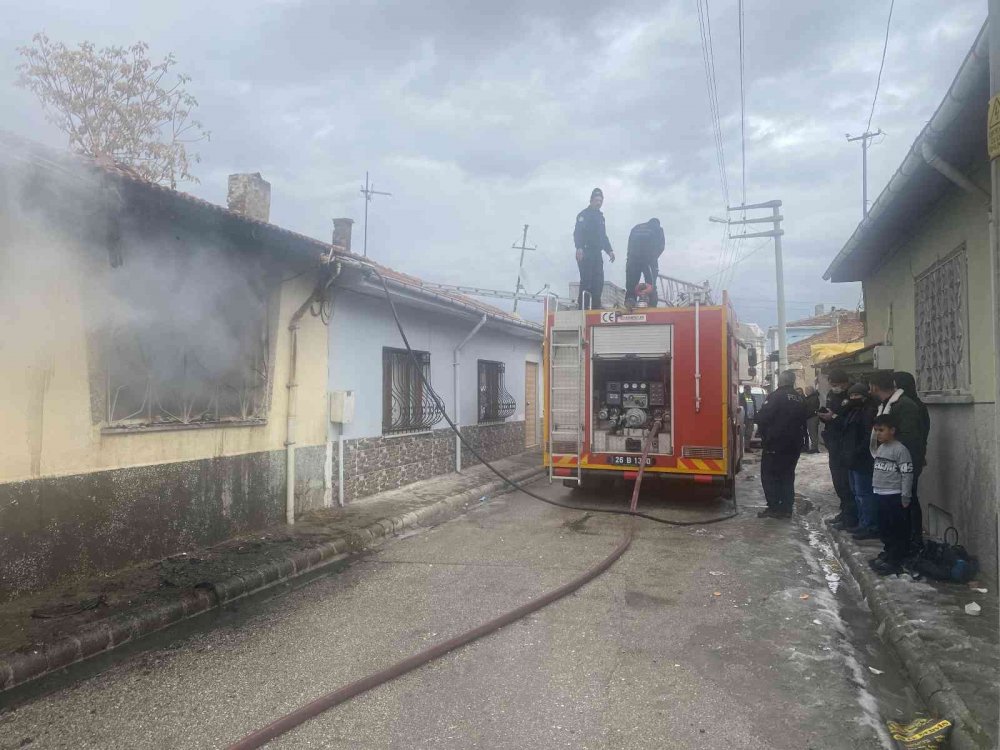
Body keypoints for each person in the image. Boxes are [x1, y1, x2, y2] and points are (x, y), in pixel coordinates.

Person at [868, 370, 926, 558]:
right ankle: (893, 548)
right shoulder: (885, 405)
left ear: (874, 387)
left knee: (905, 507)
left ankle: (908, 548)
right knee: (889, 514)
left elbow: (910, 439)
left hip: (902, 466)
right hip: (888, 469)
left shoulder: (905, 405)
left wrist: (889, 451)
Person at [754, 370, 808, 519]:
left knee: (771, 476)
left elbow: (762, 417)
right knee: (787, 475)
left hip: (776, 444)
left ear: (780, 381)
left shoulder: (776, 396)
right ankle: (786, 508)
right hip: (794, 444)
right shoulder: (799, 398)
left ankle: (775, 507)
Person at [869, 413, 915, 575]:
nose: (878, 434)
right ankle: (888, 554)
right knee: (884, 527)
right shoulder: (881, 448)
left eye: (881, 430)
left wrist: (905, 495)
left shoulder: (900, 450)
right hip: (880, 493)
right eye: (876, 430)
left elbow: (907, 474)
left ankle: (895, 560)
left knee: (896, 529)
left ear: (892, 430)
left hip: (894, 495)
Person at [837, 382, 880, 540]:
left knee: (864, 494)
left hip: (863, 459)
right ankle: (861, 523)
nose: (854, 398)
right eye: (851, 395)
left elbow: (868, 436)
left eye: (857, 395)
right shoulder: (852, 411)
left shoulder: (868, 412)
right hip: (851, 459)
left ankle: (868, 525)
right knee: (857, 493)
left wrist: (857, 451)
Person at [893, 371, 929, 549]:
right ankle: (910, 535)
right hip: (914, 456)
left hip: (910, 458)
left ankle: (914, 537)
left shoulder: (910, 406)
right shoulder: (914, 404)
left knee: (909, 497)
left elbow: (916, 435)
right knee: (908, 497)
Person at [817, 369, 857, 530]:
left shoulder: (852, 396)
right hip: (833, 443)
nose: (834, 387)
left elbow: (850, 421)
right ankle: (844, 512)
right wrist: (824, 415)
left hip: (846, 444)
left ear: (844, 383)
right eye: (832, 385)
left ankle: (851, 518)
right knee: (838, 482)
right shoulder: (832, 395)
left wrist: (833, 417)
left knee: (847, 484)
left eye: (836, 385)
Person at [573, 188, 615, 310]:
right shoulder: (583, 215)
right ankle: (583, 306)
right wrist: (579, 247)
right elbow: (578, 233)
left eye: (600, 201)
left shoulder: (601, 218)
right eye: (596, 200)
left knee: (598, 280)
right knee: (587, 280)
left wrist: (609, 250)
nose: (598, 203)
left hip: (597, 253)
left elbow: (603, 236)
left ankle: (596, 305)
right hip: (585, 251)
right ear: (591, 200)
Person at [624, 218, 665, 308]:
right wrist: (653, 258)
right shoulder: (657, 228)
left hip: (633, 259)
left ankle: (630, 300)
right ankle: (652, 303)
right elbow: (661, 246)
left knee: (631, 283)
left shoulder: (636, 227)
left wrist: (629, 259)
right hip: (649, 260)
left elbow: (629, 245)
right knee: (651, 283)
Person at [803, 386, 821, 453]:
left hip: (812, 417)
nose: (806, 392)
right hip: (810, 416)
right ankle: (814, 447)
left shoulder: (813, 398)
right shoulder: (809, 398)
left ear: (811, 391)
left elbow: (811, 408)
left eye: (807, 390)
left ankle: (815, 448)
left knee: (813, 432)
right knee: (811, 432)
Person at [741, 385, 757, 452]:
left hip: (751, 418)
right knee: (742, 434)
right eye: (747, 389)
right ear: (744, 390)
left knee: (749, 433)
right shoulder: (741, 397)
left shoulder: (752, 397)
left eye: (749, 389)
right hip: (743, 418)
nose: (749, 391)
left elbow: (754, 407)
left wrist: (755, 416)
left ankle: (747, 447)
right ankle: (742, 448)